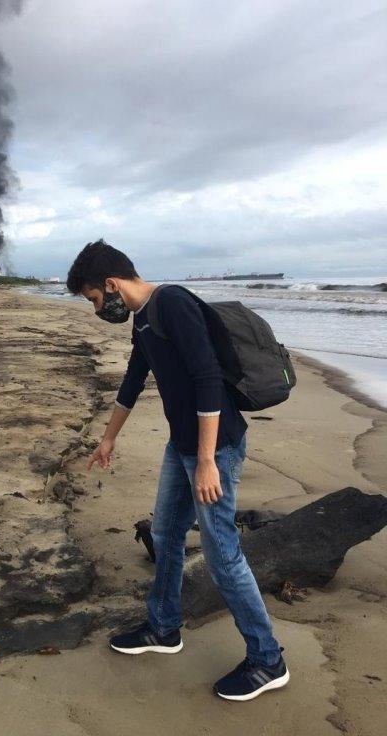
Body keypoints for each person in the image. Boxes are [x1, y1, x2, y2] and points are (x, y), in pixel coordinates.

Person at [66, 239, 290, 702]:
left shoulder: (172, 303)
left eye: (92, 299)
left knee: (222, 551)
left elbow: (208, 377)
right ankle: (165, 628)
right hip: (182, 445)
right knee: (166, 534)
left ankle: (268, 659)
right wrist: (108, 439)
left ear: (110, 285)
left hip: (216, 447)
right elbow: (133, 380)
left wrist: (207, 461)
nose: (96, 309)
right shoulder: (145, 320)